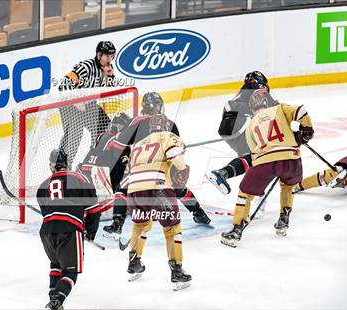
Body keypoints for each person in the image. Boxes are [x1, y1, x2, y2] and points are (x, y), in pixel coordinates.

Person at [103, 92, 211, 239]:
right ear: (159, 107)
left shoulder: (135, 122)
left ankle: (117, 224)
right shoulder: (169, 123)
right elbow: (179, 148)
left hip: (140, 167)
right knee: (178, 188)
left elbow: (120, 145)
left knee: (122, 190)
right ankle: (199, 213)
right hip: (164, 166)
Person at [221, 89, 314, 248]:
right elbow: (301, 110)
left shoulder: (250, 125)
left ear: (251, 108)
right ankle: (283, 219)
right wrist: (306, 131)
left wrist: (267, 170)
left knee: (245, 193)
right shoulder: (279, 109)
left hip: (265, 163)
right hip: (292, 160)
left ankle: (236, 229)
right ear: (266, 101)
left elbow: (254, 154)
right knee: (287, 187)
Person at [126, 113, 192, 291]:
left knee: (140, 225)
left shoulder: (138, 144)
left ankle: (134, 263)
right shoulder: (167, 136)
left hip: (134, 191)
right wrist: (183, 168)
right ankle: (177, 271)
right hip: (158, 188)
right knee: (172, 229)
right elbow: (175, 156)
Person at [37, 149, 102, 310]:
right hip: (69, 229)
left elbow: (48, 213)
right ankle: (57, 300)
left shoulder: (43, 186)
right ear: (67, 163)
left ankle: (53, 298)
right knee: (70, 272)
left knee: (56, 264)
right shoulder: (79, 178)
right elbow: (94, 209)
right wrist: (90, 232)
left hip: (46, 231)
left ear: (51, 165)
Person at [206, 71, 278, 195]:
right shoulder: (257, 87)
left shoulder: (243, 91)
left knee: (252, 158)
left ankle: (223, 173)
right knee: (259, 156)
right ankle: (255, 189)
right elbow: (273, 105)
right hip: (241, 121)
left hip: (228, 128)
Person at [58, 41, 116, 165]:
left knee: (105, 128)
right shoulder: (85, 67)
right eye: (107, 56)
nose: (110, 59)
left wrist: (110, 76)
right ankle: (61, 166)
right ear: (99, 55)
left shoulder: (108, 69)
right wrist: (76, 101)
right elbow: (64, 84)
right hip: (69, 104)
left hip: (88, 105)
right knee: (75, 134)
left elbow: (109, 91)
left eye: (112, 56)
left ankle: (93, 160)